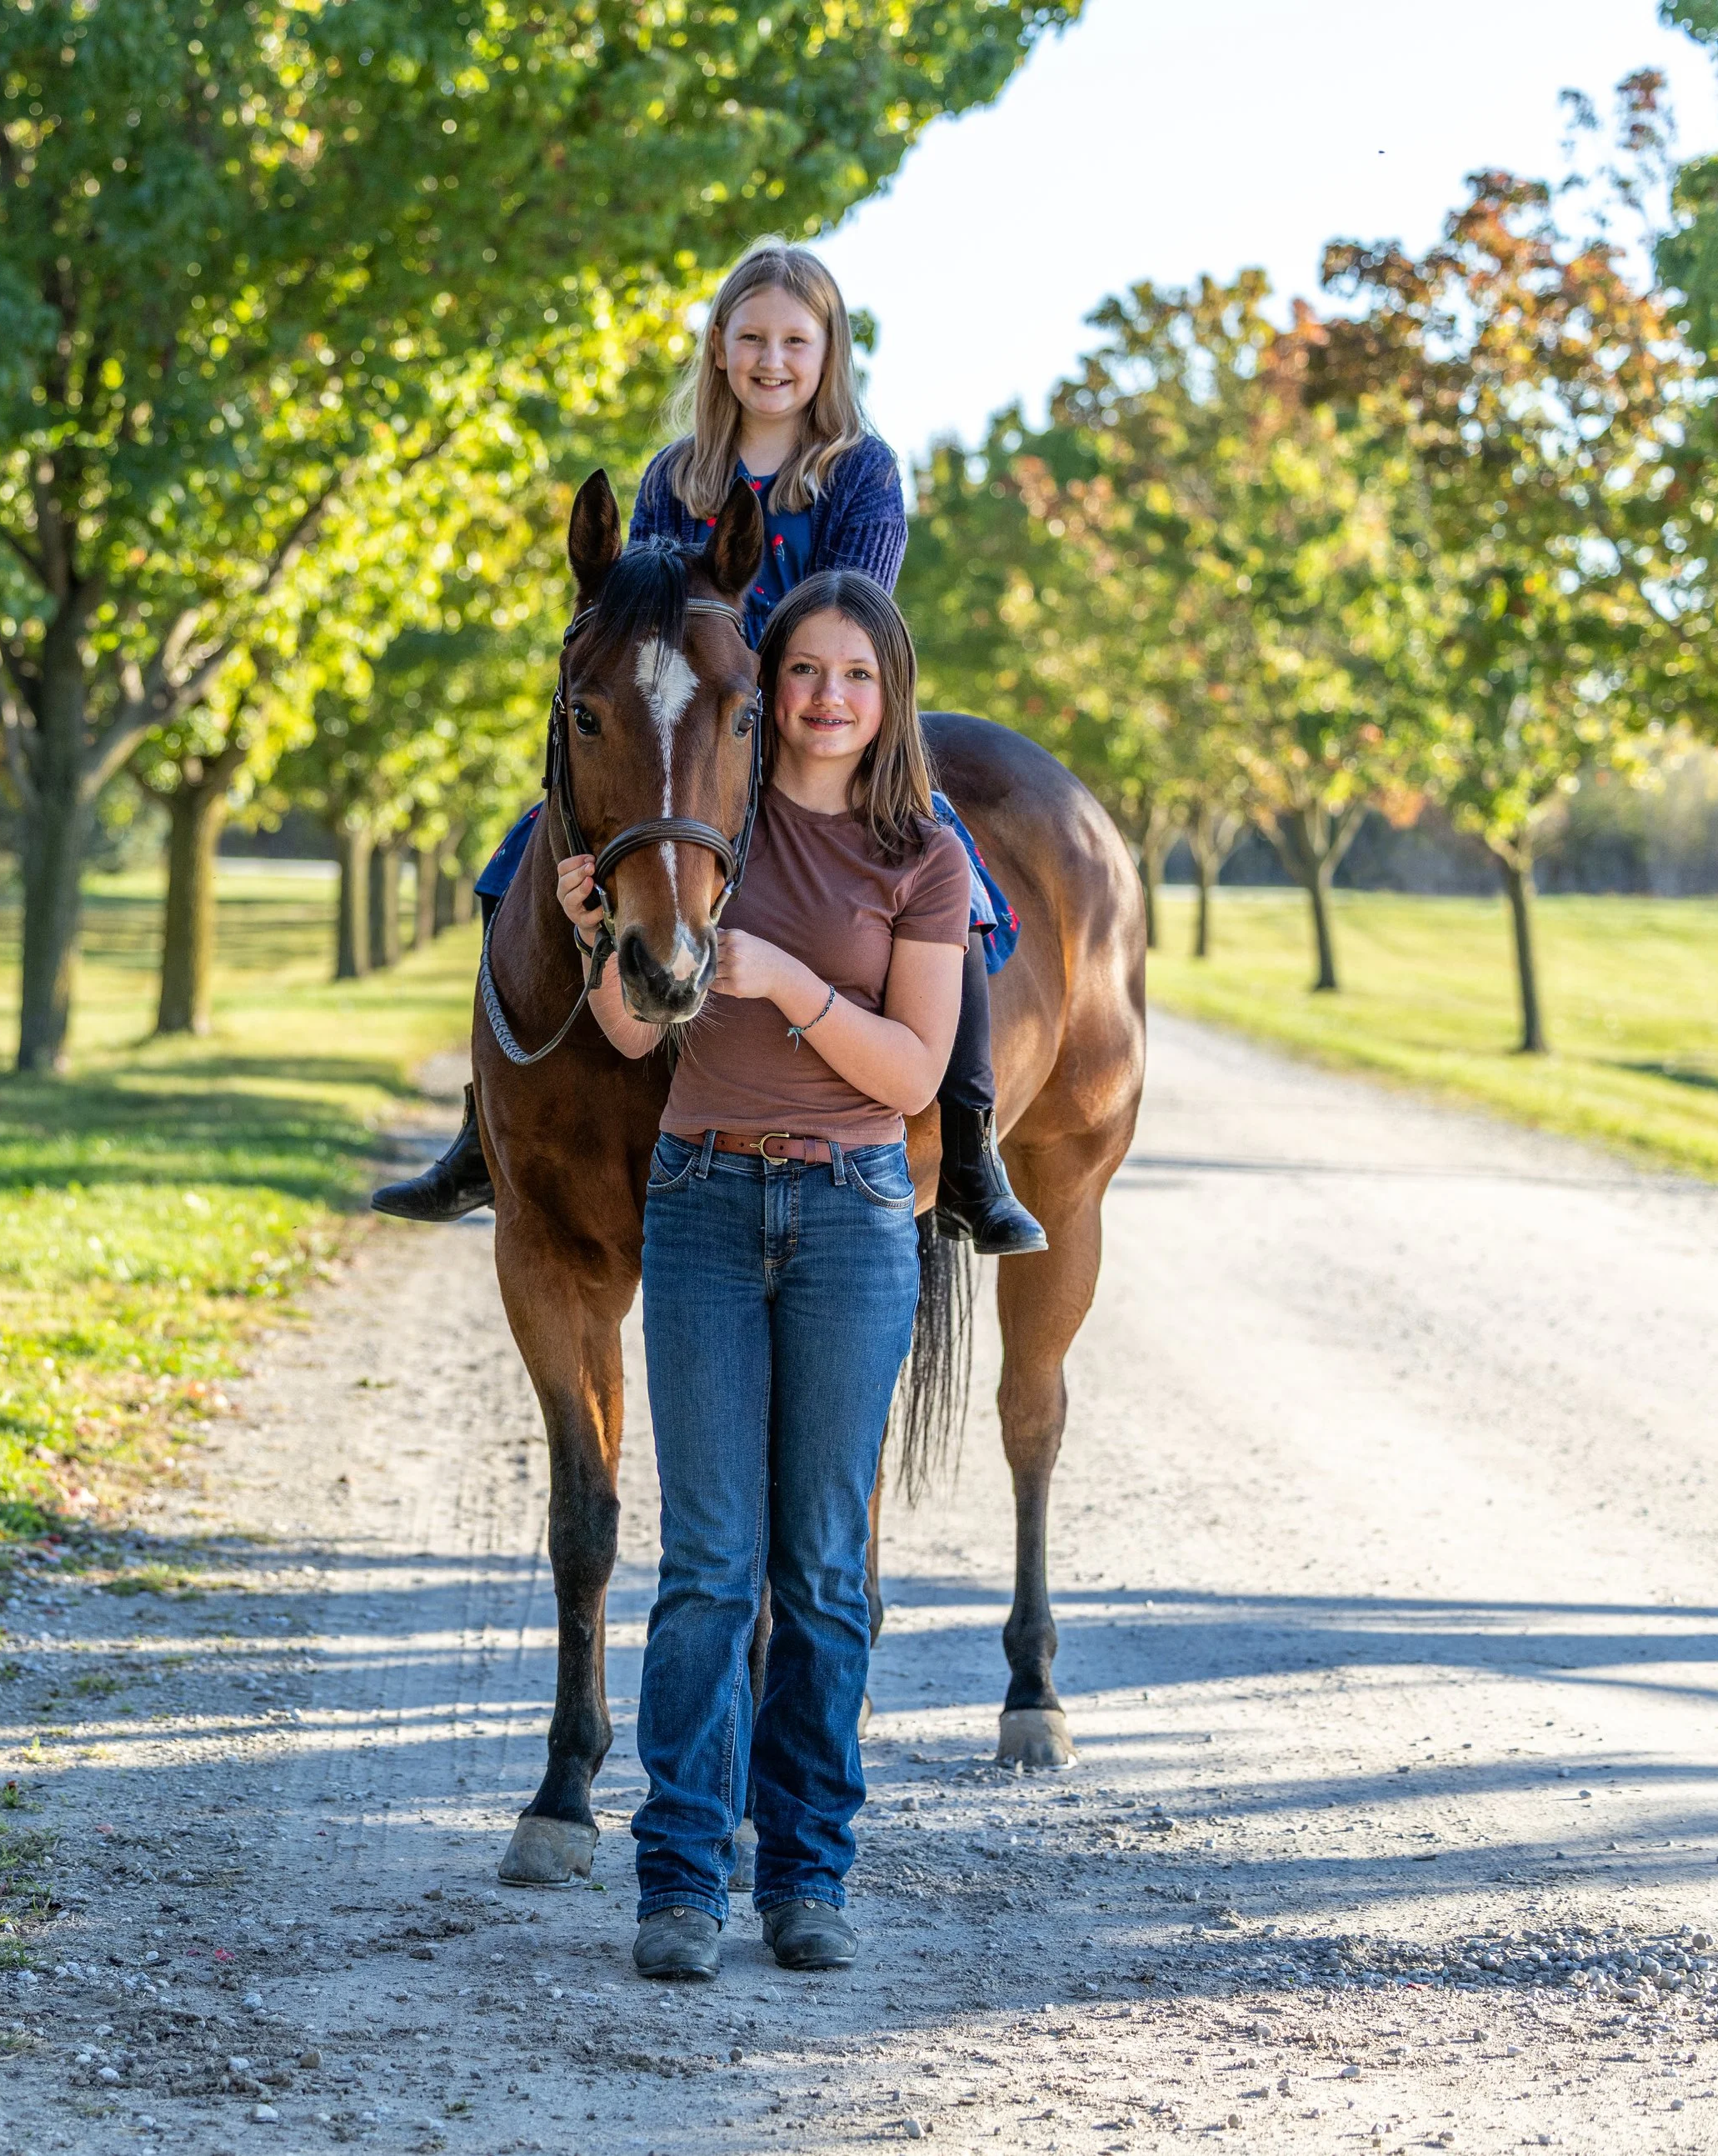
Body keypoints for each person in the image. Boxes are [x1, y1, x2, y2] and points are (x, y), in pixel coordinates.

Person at [371, 238, 1046, 1258]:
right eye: (751, 338)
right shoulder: (674, 474)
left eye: (794, 340)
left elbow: (851, 617)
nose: (771, 360)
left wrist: (753, 675)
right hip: (686, 729)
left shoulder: (859, 474)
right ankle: (485, 1124)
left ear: (828, 354)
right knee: (516, 863)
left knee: (956, 880)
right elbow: (637, 606)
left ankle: (969, 1144)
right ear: (719, 350)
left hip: (816, 718)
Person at [557, 571, 964, 1980]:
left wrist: (785, 982)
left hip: (854, 1212)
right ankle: (679, 1879)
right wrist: (603, 929)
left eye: (858, 674)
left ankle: (807, 1876)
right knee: (710, 1566)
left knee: (824, 1567)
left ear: (888, 692)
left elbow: (912, 1070)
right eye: (807, 672)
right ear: (767, 684)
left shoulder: (923, 859)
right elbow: (621, 1031)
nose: (830, 698)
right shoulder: (704, 815)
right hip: (705, 1200)